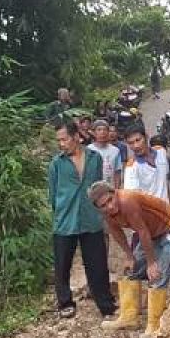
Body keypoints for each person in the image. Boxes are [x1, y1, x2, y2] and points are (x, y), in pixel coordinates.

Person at [90, 180, 170, 338]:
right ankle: (129, 317)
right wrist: (129, 256)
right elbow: (116, 232)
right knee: (131, 271)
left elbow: (142, 231)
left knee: (157, 275)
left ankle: (155, 326)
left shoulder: (128, 201)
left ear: (114, 193)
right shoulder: (107, 214)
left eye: (110, 200)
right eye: (103, 205)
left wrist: (151, 262)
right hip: (152, 233)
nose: (109, 206)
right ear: (98, 208)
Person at [47, 120, 116, 320]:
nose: (61, 144)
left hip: (90, 218)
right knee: (62, 264)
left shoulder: (95, 158)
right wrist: (60, 212)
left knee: (97, 262)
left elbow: (98, 188)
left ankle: (105, 302)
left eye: (64, 139)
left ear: (76, 136)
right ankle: (65, 302)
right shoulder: (56, 164)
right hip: (65, 220)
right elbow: (52, 195)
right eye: (58, 140)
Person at [121, 124, 170, 202]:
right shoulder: (131, 168)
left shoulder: (161, 152)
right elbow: (132, 198)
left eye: (138, 140)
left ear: (146, 137)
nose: (136, 146)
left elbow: (166, 180)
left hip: (167, 209)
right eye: (131, 143)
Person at [88, 119, 122, 187]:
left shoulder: (115, 151)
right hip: (93, 189)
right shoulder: (89, 150)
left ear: (108, 132)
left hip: (110, 188)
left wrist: (117, 189)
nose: (102, 132)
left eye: (105, 129)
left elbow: (117, 172)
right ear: (94, 133)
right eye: (99, 130)